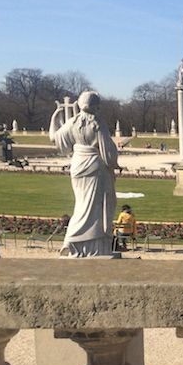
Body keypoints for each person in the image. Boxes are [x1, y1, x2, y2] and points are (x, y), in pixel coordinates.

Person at [49, 91, 120, 257]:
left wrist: (54, 117)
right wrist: (113, 165)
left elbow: (54, 138)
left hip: (78, 166)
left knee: (81, 206)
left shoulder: (73, 122)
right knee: (98, 207)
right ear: (96, 106)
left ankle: (72, 242)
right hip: (95, 168)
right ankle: (94, 246)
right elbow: (108, 152)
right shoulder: (97, 122)